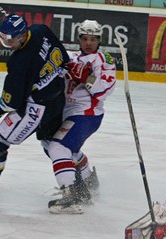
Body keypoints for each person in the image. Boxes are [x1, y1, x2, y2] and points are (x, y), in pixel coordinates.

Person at [0, 14, 70, 199]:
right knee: (52, 145)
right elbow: (64, 58)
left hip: (37, 108)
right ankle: (81, 181)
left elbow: (11, 102)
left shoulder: (19, 62)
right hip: (58, 98)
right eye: (3, 38)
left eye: (10, 40)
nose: (6, 43)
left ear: (22, 36)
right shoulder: (40, 29)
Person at [42, 19, 117, 214]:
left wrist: (87, 77)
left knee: (59, 146)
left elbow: (104, 91)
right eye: (85, 38)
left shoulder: (104, 60)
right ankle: (87, 181)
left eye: (93, 39)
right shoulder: (69, 57)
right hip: (66, 114)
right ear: (79, 39)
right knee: (52, 144)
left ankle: (71, 194)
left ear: (99, 40)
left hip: (87, 114)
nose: (89, 43)